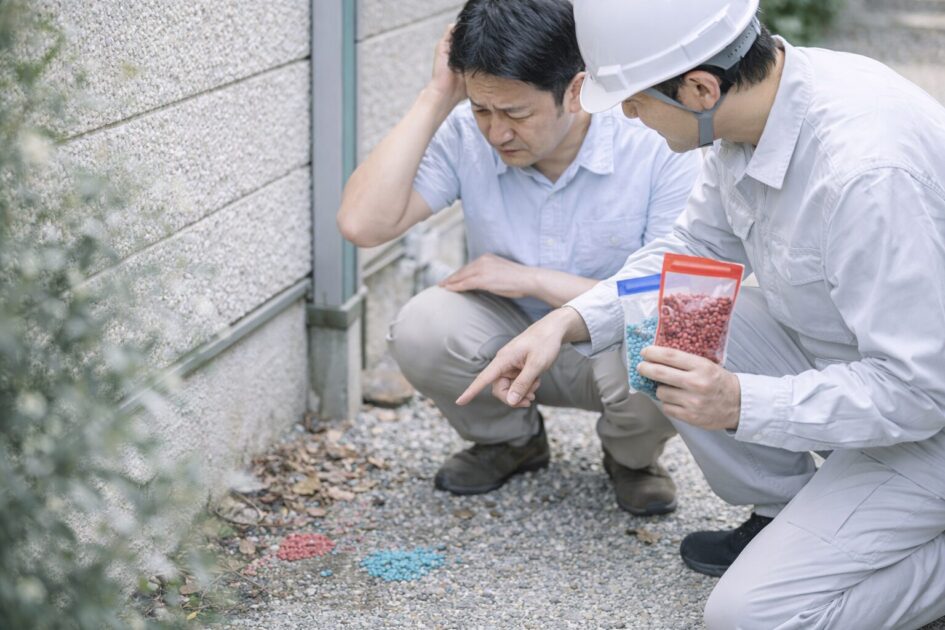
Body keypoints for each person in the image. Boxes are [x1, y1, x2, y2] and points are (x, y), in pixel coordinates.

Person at [457, 0, 945, 627]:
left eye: (635, 100)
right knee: (670, 313)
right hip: (869, 378)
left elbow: (920, 389)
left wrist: (742, 402)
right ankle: (785, 512)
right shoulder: (756, 113)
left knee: (750, 618)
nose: (628, 115)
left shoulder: (864, 173)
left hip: (926, 425)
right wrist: (563, 322)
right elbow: (691, 250)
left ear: (699, 88)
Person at [337, 0, 701, 516]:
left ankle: (632, 458)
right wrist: (436, 96)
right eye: (481, 109)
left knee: (672, 338)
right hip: (505, 342)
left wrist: (534, 280)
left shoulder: (654, 142)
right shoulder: (466, 133)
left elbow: (676, 295)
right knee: (422, 326)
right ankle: (510, 441)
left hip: (611, 349)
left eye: (516, 113)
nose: (496, 133)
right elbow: (361, 224)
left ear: (576, 91)